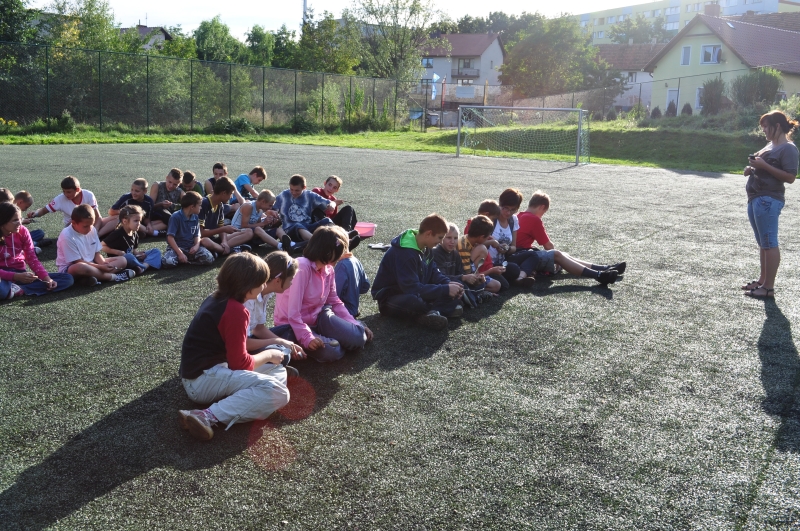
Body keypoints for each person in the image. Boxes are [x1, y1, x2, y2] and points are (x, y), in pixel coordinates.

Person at [178, 254, 291, 441]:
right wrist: (270, 353)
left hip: (200, 374)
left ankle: (237, 401)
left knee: (278, 370)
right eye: (261, 282)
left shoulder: (217, 299)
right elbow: (240, 363)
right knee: (279, 393)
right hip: (202, 381)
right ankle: (206, 415)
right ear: (247, 286)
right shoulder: (235, 310)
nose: (264, 285)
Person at [273, 225, 372, 362]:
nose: (340, 257)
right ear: (328, 252)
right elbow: (293, 314)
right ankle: (325, 340)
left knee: (359, 337)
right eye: (339, 252)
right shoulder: (302, 267)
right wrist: (307, 337)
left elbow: (334, 301)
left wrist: (354, 323)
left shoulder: (328, 269)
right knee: (334, 351)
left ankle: (334, 337)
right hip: (293, 325)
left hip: (319, 318)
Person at [371, 213, 464, 330]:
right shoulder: (405, 254)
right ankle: (434, 311)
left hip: (417, 292)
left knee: (451, 292)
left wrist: (448, 283)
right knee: (414, 302)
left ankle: (430, 313)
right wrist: (445, 290)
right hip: (391, 299)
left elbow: (434, 272)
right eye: (440, 238)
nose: (440, 242)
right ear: (428, 234)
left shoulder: (427, 248)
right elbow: (412, 288)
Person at [741, 111, 799, 298]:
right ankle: (762, 281)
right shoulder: (770, 145)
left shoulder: (788, 148)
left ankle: (768, 288)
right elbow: (762, 167)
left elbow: (790, 177)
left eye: (766, 126)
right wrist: (751, 168)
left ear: (777, 126)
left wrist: (764, 166)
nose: (764, 130)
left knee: (769, 243)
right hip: (756, 198)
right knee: (763, 243)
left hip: (768, 200)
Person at [515, 190, 623, 284]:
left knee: (563, 255)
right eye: (544, 212)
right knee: (557, 254)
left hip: (519, 255)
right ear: (542, 207)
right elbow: (548, 246)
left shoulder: (519, 216)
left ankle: (603, 268)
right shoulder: (533, 219)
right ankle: (599, 275)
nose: (542, 215)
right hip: (525, 258)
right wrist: (557, 259)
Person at [0, 202, 74, 299]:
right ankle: (11, 289)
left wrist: (47, 279)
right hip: (2, 277)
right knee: (1, 290)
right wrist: (15, 276)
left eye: (20, 219)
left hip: (21, 274)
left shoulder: (23, 231)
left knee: (68, 279)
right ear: (3, 221)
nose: (20, 223)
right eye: (15, 220)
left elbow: (32, 259)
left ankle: (19, 289)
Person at [244, 251, 307, 366]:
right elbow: (243, 344)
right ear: (277, 281)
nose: (291, 283)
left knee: (290, 329)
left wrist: (285, 342)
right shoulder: (248, 298)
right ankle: (267, 366)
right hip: (236, 349)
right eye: (290, 279)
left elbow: (258, 329)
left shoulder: (266, 292)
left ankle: (276, 360)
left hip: (248, 340)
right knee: (283, 354)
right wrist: (278, 342)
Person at [56, 204, 135, 285]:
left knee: (122, 260)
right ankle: (113, 277)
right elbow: (77, 261)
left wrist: (103, 264)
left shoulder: (92, 229)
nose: (90, 228)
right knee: (81, 267)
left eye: (92, 224)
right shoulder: (66, 236)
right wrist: (100, 267)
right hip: (71, 268)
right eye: (85, 226)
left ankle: (89, 279)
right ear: (73, 223)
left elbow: (96, 253)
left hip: (92, 264)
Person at [274, 174, 336, 249]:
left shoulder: (309, 195)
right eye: (291, 189)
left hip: (307, 227)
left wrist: (332, 204)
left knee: (327, 220)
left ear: (304, 188)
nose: (293, 192)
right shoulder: (283, 195)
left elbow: (329, 202)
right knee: (298, 225)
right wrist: (272, 213)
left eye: (297, 190)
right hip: (290, 230)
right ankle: (318, 244)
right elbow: (272, 208)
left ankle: (339, 240)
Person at [199, 177, 253, 256]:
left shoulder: (220, 205)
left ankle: (221, 248)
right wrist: (223, 229)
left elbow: (221, 227)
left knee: (248, 232)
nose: (231, 197)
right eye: (231, 193)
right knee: (205, 241)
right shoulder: (204, 204)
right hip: (199, 240)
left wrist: (224, 241)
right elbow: (200, 233)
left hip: (213, 239)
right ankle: (229, 250)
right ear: (224, 193)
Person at [101, 205, 162, 274]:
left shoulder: (134, 233)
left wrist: (140, 254)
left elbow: (134, 251)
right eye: (136, 221)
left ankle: (142, 267)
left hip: (133, 258)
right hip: (122, 260)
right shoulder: (117, 234)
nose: (138, 224)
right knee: (129, 256)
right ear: (125, 221)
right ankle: (143, 266)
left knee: (156, 251)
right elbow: (102, 246)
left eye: (139, 221)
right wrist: (117, 252)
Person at [28, 176, 103, 230]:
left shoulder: (88, 195)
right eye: (64, 191)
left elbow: (98, 217)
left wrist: (95, 232)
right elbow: (44, 210)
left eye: (68, 192)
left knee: (110, 221)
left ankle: (95, 238)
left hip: (88, 225)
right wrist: (35, 214)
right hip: (72, 227)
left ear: (77, 189)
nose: (66, 194)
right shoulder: (60, 198)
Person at [162, 191, 216, 267]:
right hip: (177, 249)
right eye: (199, 205)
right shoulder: (175, 217)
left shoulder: (195, 217)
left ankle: (185, 260)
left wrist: (196, 246)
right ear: (192, 207)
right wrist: (180, 253)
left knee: (209, 258)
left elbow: (197, 235)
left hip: (191, 248)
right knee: (168, 262)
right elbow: (170, 237)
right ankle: (184, 258)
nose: (201, 208)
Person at [455, 215, 502, 294]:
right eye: (487, 237)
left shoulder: (470, 240)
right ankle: (474, 292)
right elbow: (467, 274)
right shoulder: (463, 247)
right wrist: (491, 271)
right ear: (481, 237)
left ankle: (477, 291)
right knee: (482, 249)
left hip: (471, 273)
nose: (489, 238)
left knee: (496, 285)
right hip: (463, 277)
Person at [334, 247, 370, 317]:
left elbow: (334, 294)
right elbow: (365, 286)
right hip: (354, 309)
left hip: (343, 311)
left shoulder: (341, 266)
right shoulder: (356, 260)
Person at [148, 169, 185, 234]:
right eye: (170, 182)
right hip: (156, 213)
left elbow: (188, 203)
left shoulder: (180, 191)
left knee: (172, 220)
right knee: (172, 220)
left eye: (175, 184)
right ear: (166, 178)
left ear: (180, 183)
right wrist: (161, 204)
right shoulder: (157, 185)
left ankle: (148, 230)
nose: (171, 186)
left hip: (167, 218)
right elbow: (150, 206)